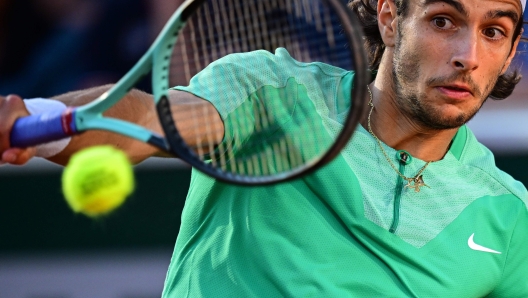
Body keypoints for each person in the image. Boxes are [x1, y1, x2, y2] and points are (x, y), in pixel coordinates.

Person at [0, 0, 527, 296]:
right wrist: (47, 120)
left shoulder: (508, 215)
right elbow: (146, 118)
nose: (468, 56)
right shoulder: (269, 90)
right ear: (390, 19)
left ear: (508, 56)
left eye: (495, 32)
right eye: (443, 21)